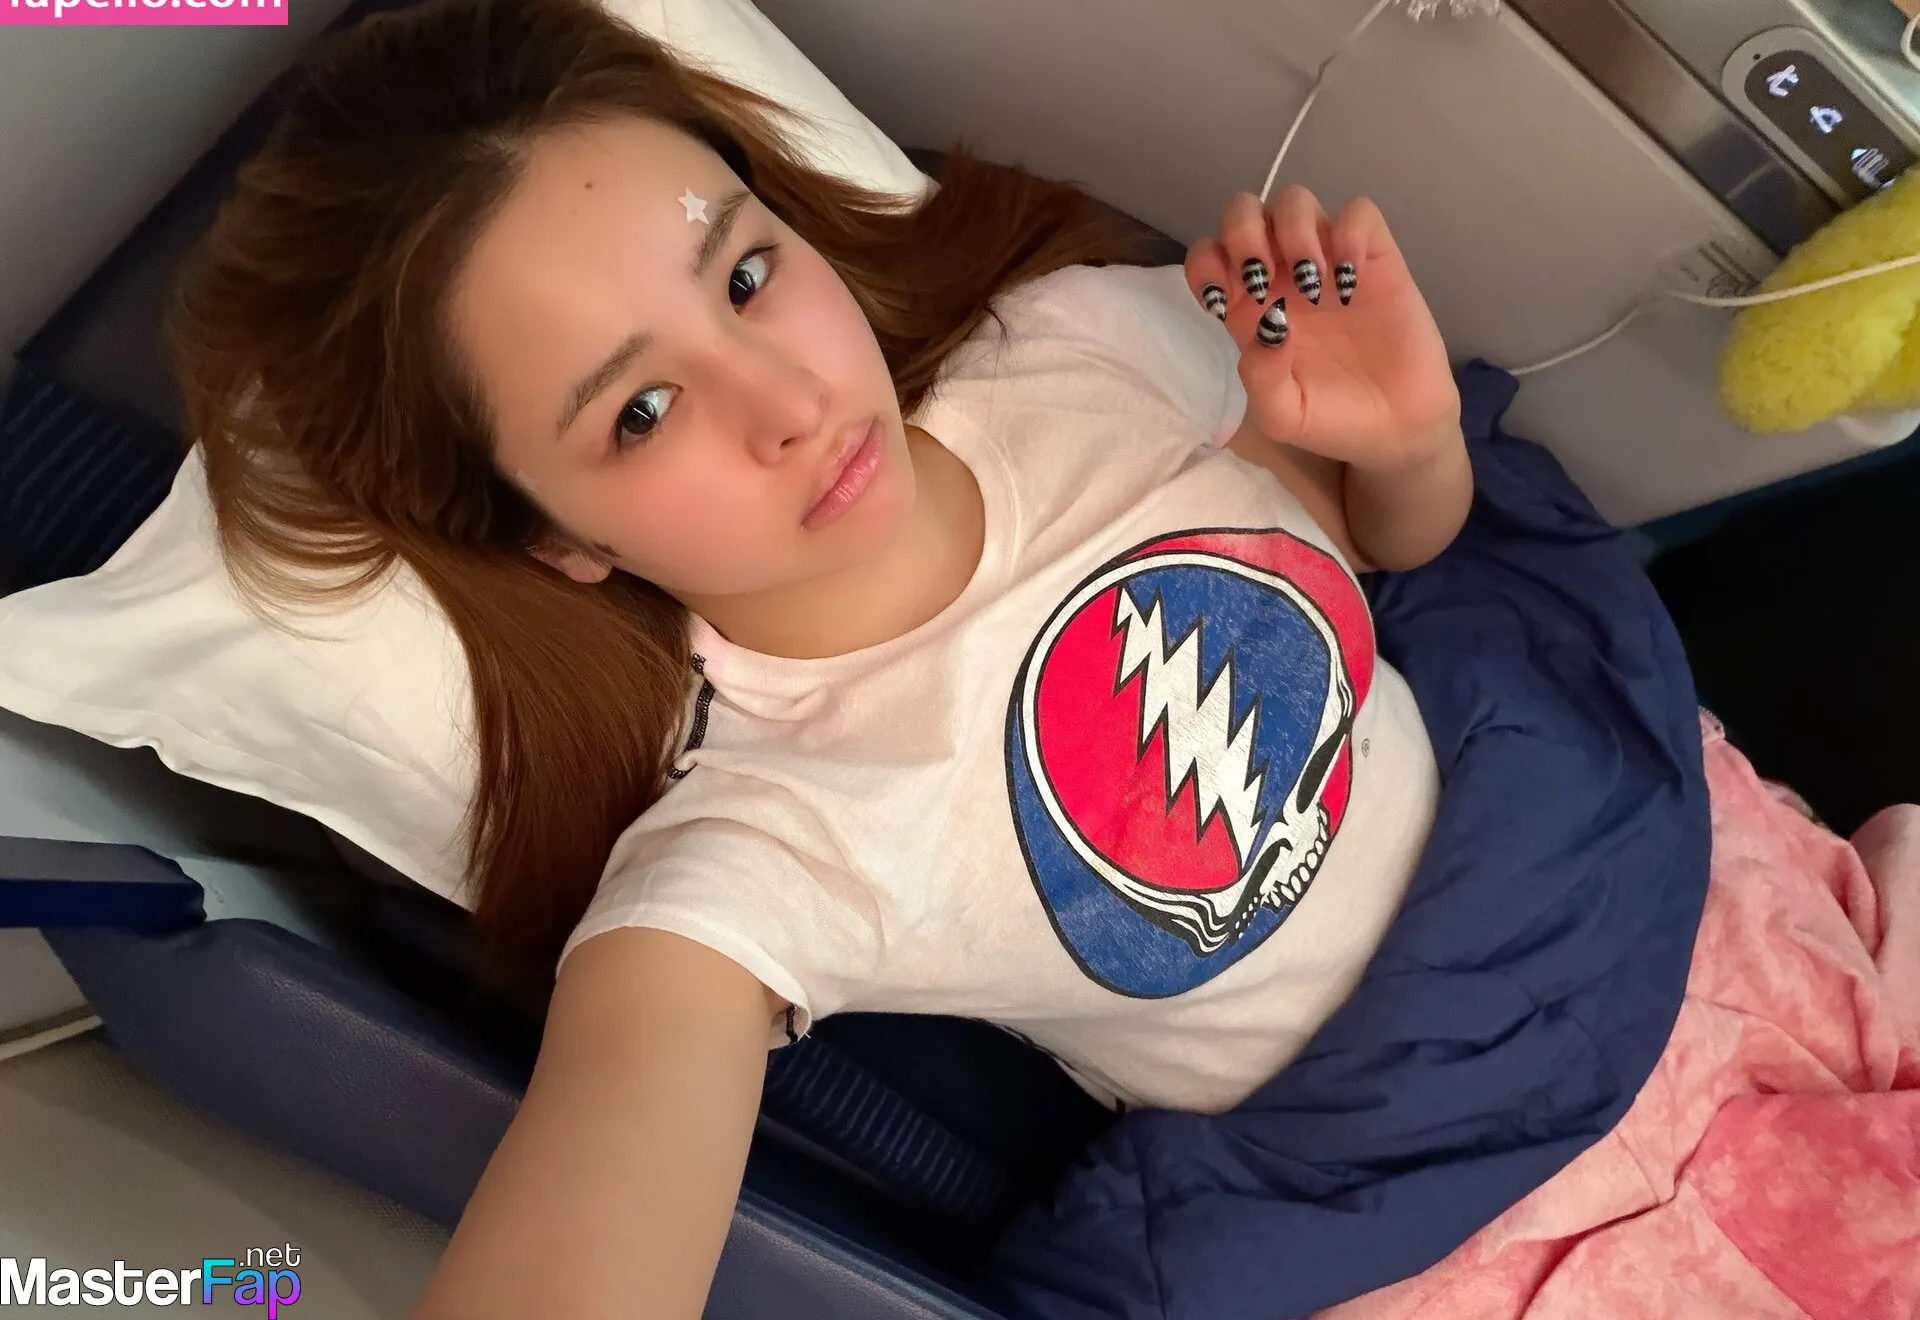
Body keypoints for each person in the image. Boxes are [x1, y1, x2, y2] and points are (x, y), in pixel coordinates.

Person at [166, 0, 1469, 1313]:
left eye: (745, 277)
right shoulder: (767, 848)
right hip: (1406, 1173)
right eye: (642, 411)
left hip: (1541, 819)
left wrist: (1414, 446)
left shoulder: (1081, 345)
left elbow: (1369, 542)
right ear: (556, 541)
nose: (789, 404)